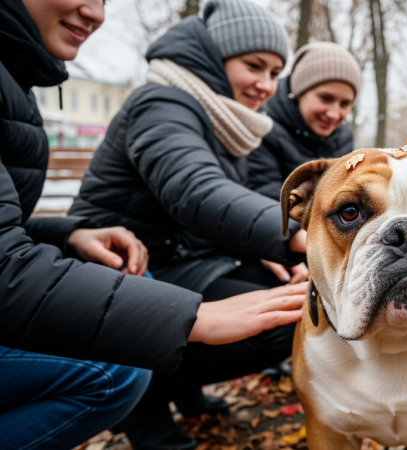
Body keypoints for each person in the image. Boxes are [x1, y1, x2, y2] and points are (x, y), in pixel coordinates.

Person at [0, 0, 305, 449]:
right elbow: (194, 190)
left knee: (285, 291)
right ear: (213, 58)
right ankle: (146, 407)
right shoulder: (162, 102)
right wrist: (302, 234)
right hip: (133, 265)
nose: (266, 83)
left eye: (275, 72)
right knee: (272, 319)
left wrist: (265, 246)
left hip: (170, 257)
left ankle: (180, 389)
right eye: (254, 66)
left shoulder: (225, 117)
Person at [248, 42, 360, 200]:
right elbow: (265, 198)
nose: (334, 115)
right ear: (299, 91)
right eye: (325, 98)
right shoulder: (262, 128)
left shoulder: (343, 137)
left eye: (345, 104)